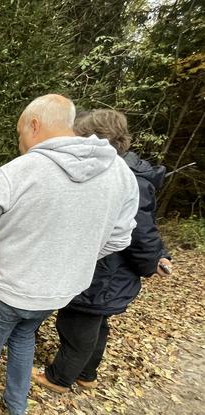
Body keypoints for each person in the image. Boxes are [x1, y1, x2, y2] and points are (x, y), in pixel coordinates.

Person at [0, 94, 139, 415]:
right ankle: (16, 410)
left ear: (35, 124)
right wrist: (75, 255)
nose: (21, 143)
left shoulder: (20, 171)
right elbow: (120, 238)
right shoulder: (120, 175)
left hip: (10, 286)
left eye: (21, 133)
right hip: (58, 291)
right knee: (24, 338)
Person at [32, 109, 172, 393]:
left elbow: (140, 231)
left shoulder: (124, 178)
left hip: (104, 270)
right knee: (96, 322)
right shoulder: (122, 172)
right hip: (108, 269)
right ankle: (86, 373)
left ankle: (59, 377)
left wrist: (153, 259)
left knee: (77, 322)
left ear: (96, 141)